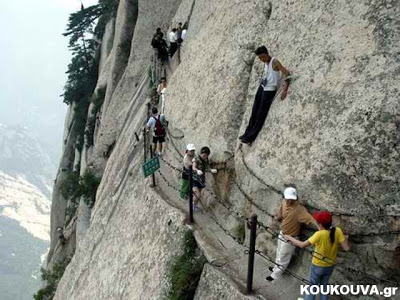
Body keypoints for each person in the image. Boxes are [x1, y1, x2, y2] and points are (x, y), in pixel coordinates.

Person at [285, 211, 350, 300]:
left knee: (313, 286)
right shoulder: (337, 231)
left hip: (317, 265)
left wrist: (289, 238)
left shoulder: (319, 235)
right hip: (330, 265)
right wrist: (345, 239)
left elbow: (302, 244)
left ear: (320, 224)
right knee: (324, 286)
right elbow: (346, 248)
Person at [239, 46, 291, 145]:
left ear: (267, 53)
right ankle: (246, 133)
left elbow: (287, 74)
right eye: (260, 58)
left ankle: (250, 137)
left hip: (269, 90)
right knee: (254, 111)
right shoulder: (266, 63)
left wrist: (285, 89)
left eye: (263, 57)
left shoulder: (274, 62)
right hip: (262, 87)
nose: (262, 59)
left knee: (261, 114)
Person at [266, 187, 319, 281]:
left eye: (291, 199)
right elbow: (280, 213)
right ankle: (275, 268)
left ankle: (275, 275)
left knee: (284, 257)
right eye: (288, 199)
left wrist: (321, 228)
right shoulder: (283, 202)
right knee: (279, 253)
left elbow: (311, 219)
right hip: (282, 232)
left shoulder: (300, 209)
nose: (289, 201)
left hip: (291, 237)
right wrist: (276, 217)